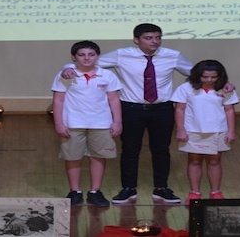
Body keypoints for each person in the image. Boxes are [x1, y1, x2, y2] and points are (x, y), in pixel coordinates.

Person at [60, 24, 201, 204]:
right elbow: (88, 61)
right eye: (148, 38)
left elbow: (198, 74)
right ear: (136, 40)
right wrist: (67, 67)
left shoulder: (172, 55)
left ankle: (161, 188)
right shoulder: (122, 54)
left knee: (161, 149)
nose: (154, 41)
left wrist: (222, 84)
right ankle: (128, 188)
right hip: (131, 108)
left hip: (162, 108)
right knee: (129, 150)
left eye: (157, 37)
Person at [51, 41, 123, 207]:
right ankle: (75, 191)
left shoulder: (107, 75)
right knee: (72, 157)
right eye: (81, 55)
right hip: (73, 123)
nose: (87, 58)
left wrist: (117, 121)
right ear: (74, 57)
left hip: (101, 123)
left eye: (91, 55)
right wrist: (59, 123)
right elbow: (58, 100)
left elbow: (114, 99)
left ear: (97, 56)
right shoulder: (65, 75)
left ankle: (95, 191)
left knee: (98, 156)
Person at [171, 59, 239, 202]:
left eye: (213, 77)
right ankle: (194, 192)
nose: (209, 80)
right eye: (205, 77)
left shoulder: (225, 89)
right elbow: (179, 109)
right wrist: (180, 130)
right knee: (194, 161)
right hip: (193, 130)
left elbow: (229, 110)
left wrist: (231, 131)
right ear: (198, 75)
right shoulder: (186, 88)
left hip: (218, 130)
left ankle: (215, 192)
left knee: (214, 161)